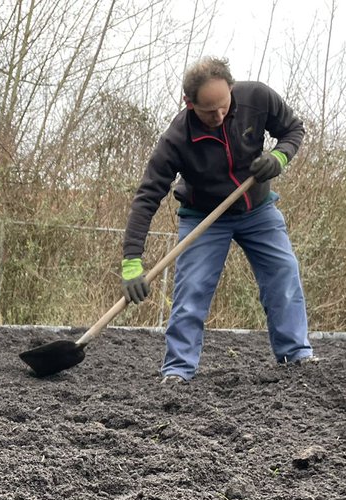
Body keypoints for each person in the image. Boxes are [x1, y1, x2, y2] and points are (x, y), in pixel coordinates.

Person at [121, 57, 315, 384]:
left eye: (223, 106)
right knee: (191, 290)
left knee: (283, 273)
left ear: (231, 89)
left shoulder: (257, 98)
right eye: (208, 111)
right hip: (204, 218)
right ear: (189, 103)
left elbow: (294, 129)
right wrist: (131, 260)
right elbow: (148, 196)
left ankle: (295, 355)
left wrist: (279, 156)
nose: (219, 116)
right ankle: (178, 371)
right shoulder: (177, 139)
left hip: (257, 210)